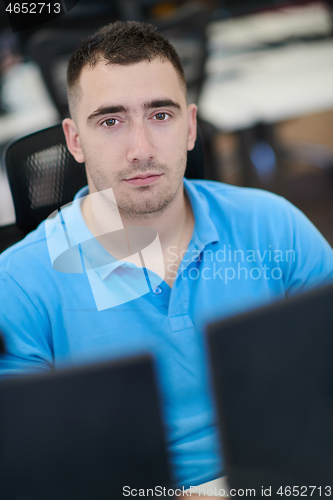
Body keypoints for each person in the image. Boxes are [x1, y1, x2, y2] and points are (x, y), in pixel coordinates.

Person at [0, 20, 333, 497]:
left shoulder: (272, 225)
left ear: (191, 127)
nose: (141, 150)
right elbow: (29, 476)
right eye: (111, 121)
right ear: (74, 140)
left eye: (160, 115)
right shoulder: (19, 286)